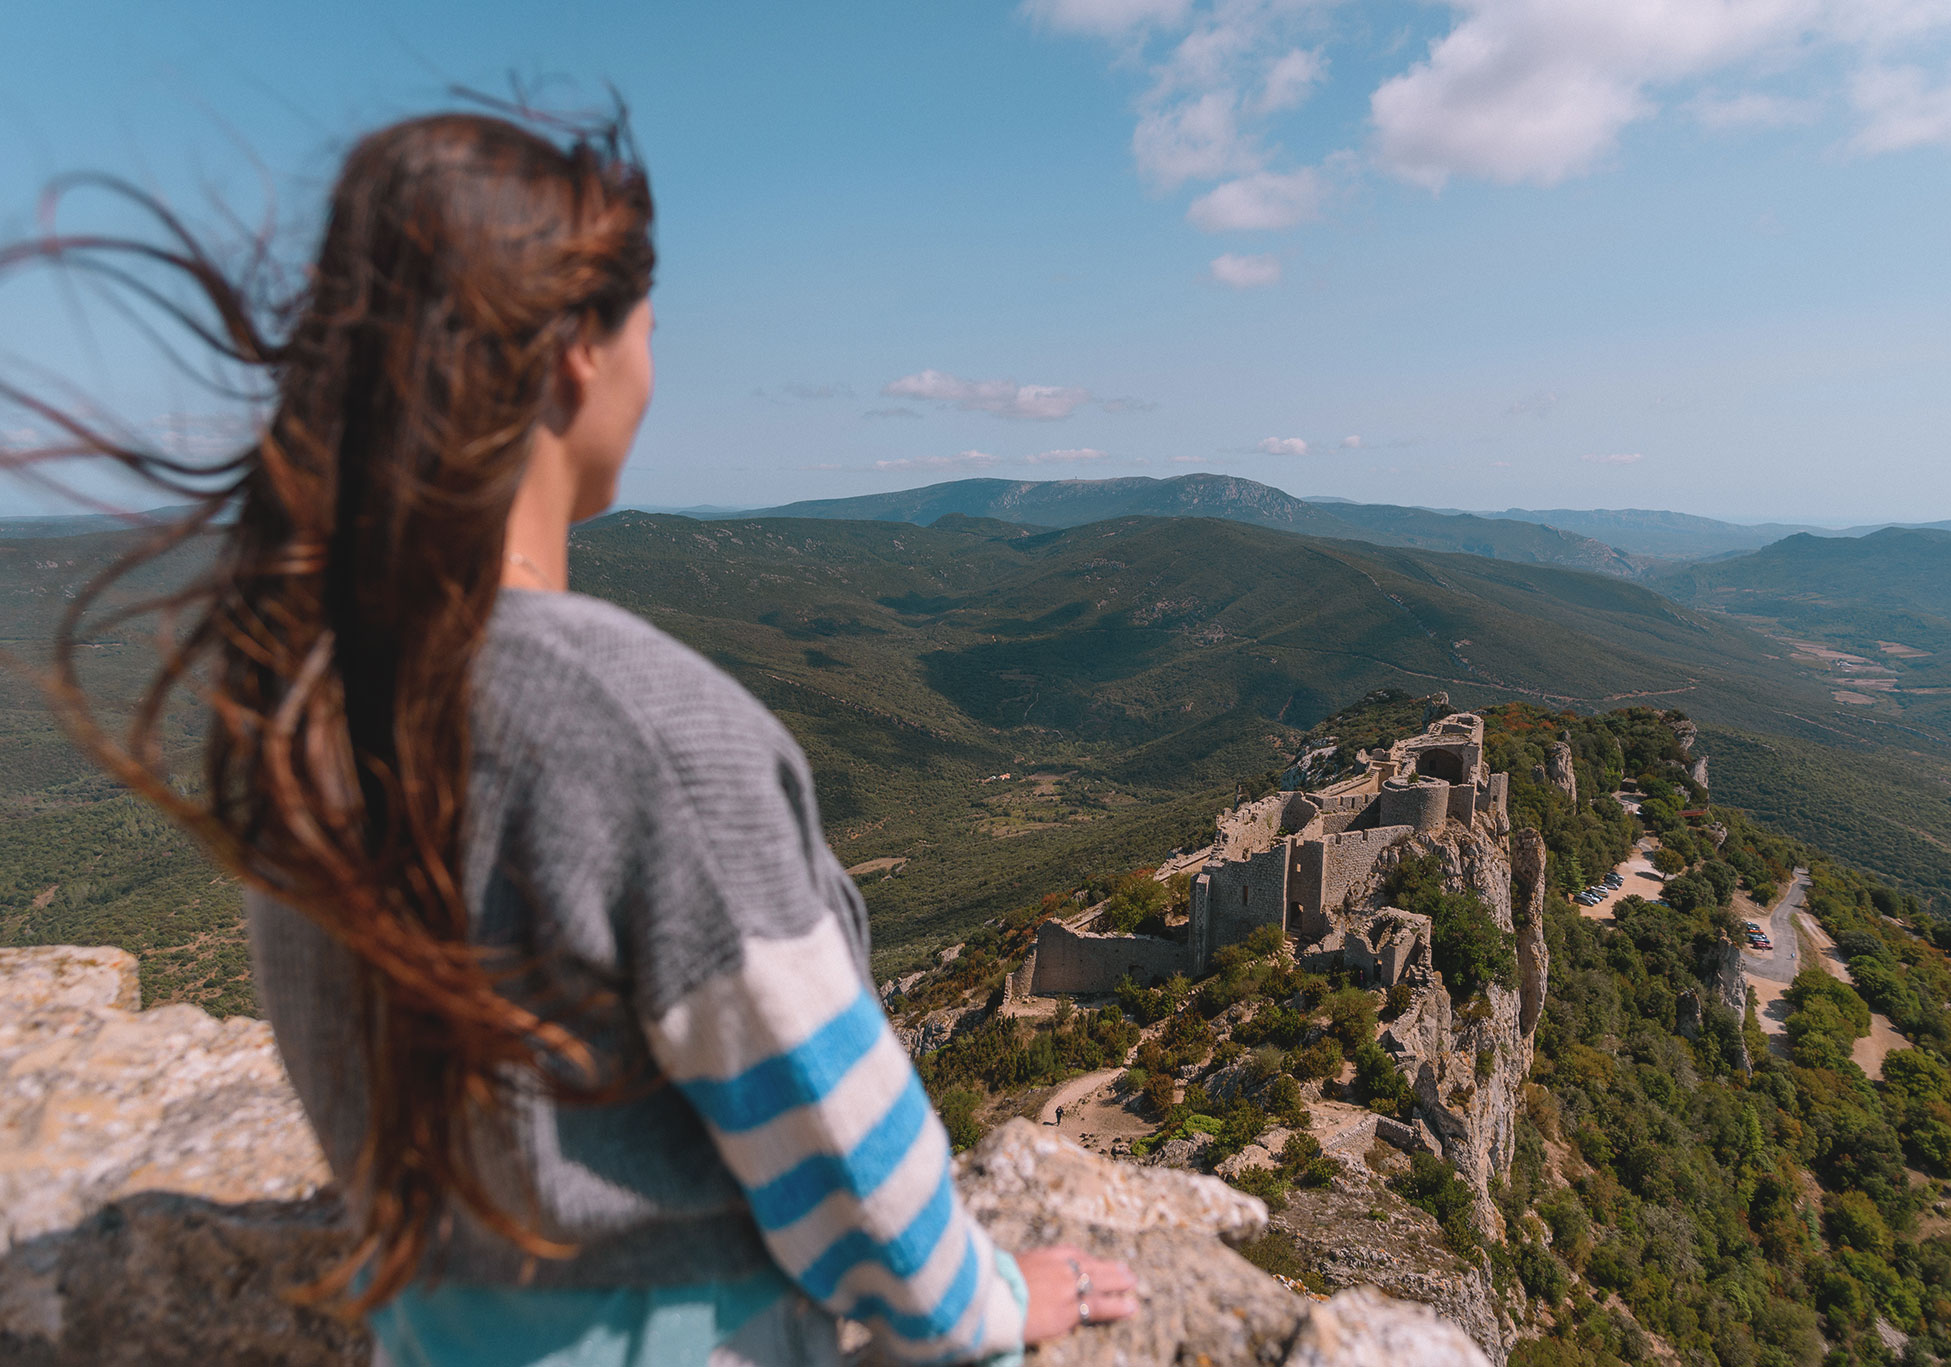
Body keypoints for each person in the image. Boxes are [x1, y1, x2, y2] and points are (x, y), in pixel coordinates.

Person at [1, 109, 1135, 1365]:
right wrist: (981, 1301)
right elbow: (836, 1132)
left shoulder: (308, 689)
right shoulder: (646, 725)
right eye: (648, 328)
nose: (656, 366)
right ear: (573, 360)